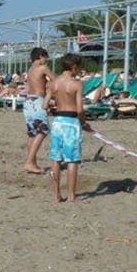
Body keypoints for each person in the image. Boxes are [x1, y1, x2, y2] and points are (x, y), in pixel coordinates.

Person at [47, 53, 92, 204]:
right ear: (74, 67)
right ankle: (71, 196)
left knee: (56, 159)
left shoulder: (53, 83)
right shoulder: (76, 84)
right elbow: (79, 109)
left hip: (57, 121)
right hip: (71, 122)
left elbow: (48, 103)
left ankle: (56, 195)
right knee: (72, 159)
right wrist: (84, 123)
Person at [22, 47, 53, 174]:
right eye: (46, 57)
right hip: (37, 101)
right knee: (43, 131)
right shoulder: (43, 68)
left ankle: (33, 163)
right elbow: (56, 80)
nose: (47, 60)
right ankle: (29, 163)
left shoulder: (30, 70)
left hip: (29, 101)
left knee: (32, 134)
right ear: (40, 56)